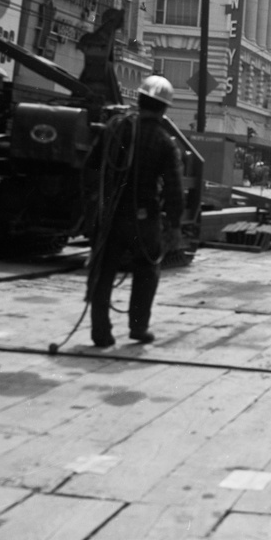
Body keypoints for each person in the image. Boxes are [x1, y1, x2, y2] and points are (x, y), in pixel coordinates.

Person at [84, 76, 184, 348]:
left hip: (110, 215)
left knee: (102, 272)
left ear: (139, 100)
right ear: (164, 109)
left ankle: (100, 333)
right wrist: (175, 226)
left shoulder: (114, 129)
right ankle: (138, 328)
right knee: (147, 270)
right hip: (143, 218)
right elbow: (174, 188)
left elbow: (90, 167)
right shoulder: (165, 142)